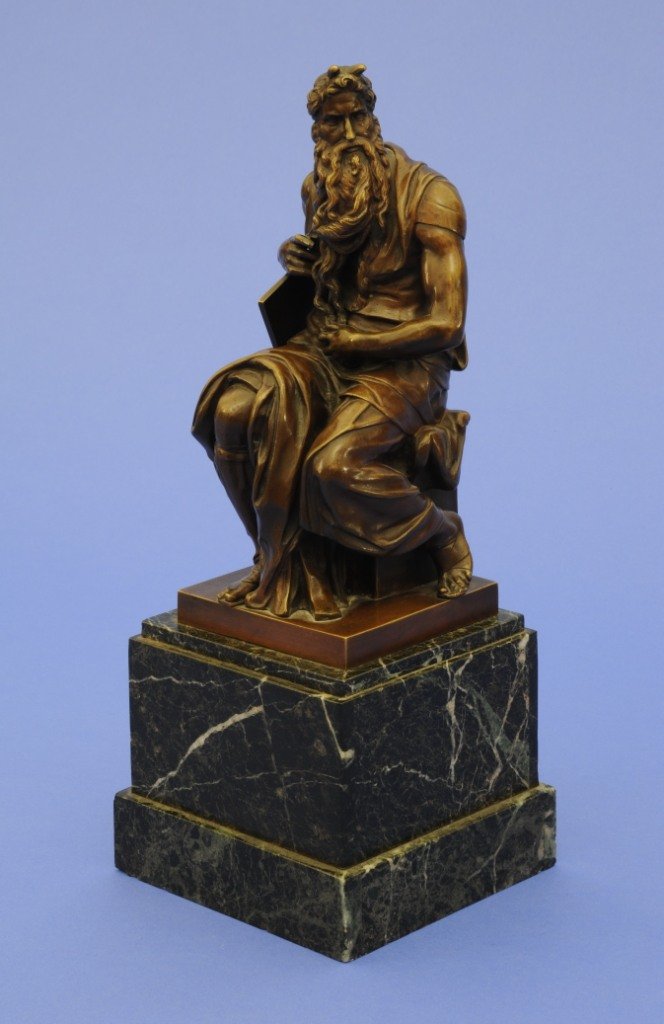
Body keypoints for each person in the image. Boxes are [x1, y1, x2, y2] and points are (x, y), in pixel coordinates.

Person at [192, 64, 473, 619]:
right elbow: (324, 278)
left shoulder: (432, 197)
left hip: (405, 365)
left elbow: (448, 324)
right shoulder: (319, 188)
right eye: (331, 123)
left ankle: (442, 533)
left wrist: (360, 342)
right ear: (315, 129)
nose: (346, 134)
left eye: (356, 118)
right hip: (326, 348)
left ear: (373, 120)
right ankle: (276, 560)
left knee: (332, 471)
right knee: (230, 411)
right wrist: (293, 257)